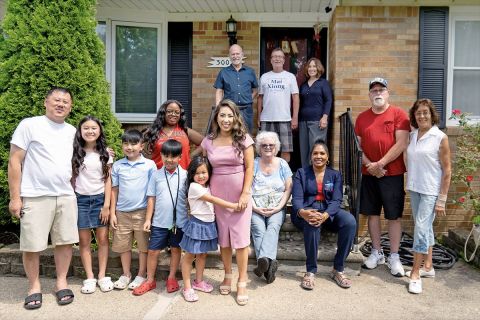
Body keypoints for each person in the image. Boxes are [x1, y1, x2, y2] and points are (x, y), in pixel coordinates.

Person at [8, 87, 78, 309]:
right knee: (32, 245)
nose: (61, 104)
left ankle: (61, 283)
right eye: (56, 100)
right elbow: (14, 161)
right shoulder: (29, 125)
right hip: (36, 195)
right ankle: (34, 286)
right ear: (45, 102)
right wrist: (15, 197)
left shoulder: (72, 130)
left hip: (66, 195)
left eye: (65, 102)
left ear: (71, 107)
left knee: (65, 242)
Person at [199, 99, 254, 306]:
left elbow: (250, 168)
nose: (226, 119)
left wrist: (245, 193)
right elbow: (200, 165)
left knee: (240, 240)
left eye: (230, 115)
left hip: (239, 193)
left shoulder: (244, 140)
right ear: (216, 118)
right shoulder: (209, 141)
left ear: (236, 118)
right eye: (222, 115)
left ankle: (242, 280)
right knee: (224, 239)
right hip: (217, 195)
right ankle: (228, 274)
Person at [354, 77, 410, 277]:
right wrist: (371, 165)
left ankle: (394, 255)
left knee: (393, 215)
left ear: (388, 93)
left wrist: (381, 164)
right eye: (374, 90)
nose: (377, 93)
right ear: (369, 94)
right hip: (369, 173)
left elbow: (401, 143)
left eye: (381, 89)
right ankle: (377, 252)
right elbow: (357, 147)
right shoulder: (362, 118)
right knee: (372, 213)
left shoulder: (399, 114)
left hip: (392, 174)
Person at [291, 139, 357, 290]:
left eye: (322, 153)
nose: (318, 156)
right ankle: (310, 271)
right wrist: (303, 212)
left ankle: (338, 269)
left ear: (327, 157)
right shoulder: (301, 173)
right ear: (310, 156)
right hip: (306, 211)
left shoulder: (335, 175)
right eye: (315, 153)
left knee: (350, 221)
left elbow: (337, 200)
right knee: (312, 223)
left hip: (328, 212)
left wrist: (325, 215)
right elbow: (297, 199)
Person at [405, 98, 451, 294]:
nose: (422, 115)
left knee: (421, 229)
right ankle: (428, 267)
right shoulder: (413, 135)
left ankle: (415, 273)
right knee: (424, 227)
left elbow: (447, 171)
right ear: (414, 116)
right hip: (415, 187)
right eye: (418, 112)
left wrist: (442, 199)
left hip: (431, 191)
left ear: (432, 115)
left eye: (425, 112)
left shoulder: (440, 138)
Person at [133, 139, 188, 296]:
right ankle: (150, 280)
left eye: (173, 156)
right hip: (159, 222)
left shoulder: (185, 175)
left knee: (176, 250)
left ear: (180, 157)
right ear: (161, 155)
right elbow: (151, 198)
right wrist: (148, 219)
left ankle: (171, 277)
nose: (169, 160)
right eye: (166, 155)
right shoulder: (156, 175)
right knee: (153, 251)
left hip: (179, 222)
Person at [180, 156, 238, 302]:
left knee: (202, 255)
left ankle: (198, 282)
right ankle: (187, 287)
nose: (201, 176)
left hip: (208, 225)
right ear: (192, 174)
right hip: (197, 225)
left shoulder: (208, 186)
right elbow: (213, 200)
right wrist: (233, 205)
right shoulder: (194, 187)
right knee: (189, 256)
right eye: (197, 173)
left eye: (204, 172)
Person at [110, 129, 156, 291]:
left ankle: (141, 274)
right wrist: (112, 213)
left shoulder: (149, 165)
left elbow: (152, 194)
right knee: (123, 246)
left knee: (143, 246)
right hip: (121, 213)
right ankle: (126, 274)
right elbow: (114, 190)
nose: (129, 147)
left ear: (141, 146)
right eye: (126, 143)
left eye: (133, 143)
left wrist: (149, 217)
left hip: (141, 212)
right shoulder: (118, 165)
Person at [72, 116, 113, 294]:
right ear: (80, 132)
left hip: (99, 200)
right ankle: (89, 277)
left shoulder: (106, 154)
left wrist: (107, 206)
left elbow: (108, 180)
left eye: (94, 128)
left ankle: (103, 275)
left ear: (100, 131)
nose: (90, 131)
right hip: (80, 200)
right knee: (84, 241)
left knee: (103, 239)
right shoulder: (75, 152)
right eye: (86, 128)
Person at [251, 131, 292, 284]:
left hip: (277, 207)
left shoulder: (282, 163)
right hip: (256, 206)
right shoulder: (254, 163)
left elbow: (288, 188)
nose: (268, 147)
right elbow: (246, 188)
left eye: (271, 145)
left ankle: (263, 263)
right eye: (264, 145)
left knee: (273, 227)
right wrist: (255, 208)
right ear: (259, 148)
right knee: (258, 229)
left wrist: (279, 207)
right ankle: (268, 265)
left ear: (276, 148)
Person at [257, 47, 299, 163]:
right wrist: (258, 117)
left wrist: (294, 117)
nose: (277, 59)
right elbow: (260, 98)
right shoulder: (264, 77)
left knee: (285, 149)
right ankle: (267, 173)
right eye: (275, 57)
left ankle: (283, 176)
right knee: (264, 148)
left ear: (284, 60)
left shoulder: (290, 77)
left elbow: (295, 98)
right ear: (270, 60)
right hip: (266, 119)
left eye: (280, 57)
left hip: (285, 119)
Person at [143, 99, 203, 169]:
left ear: (180, 115)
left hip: (182, 176)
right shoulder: (153, 131)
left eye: (177, 112)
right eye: (169, 111)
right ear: (163, 113)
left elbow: (206, 142)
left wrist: (191, 156)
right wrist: (146, 157)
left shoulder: (185, 131)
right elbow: (136, 143)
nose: (173, 114)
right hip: (158, 176)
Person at [214, 44, 258, 133]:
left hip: (246, 111)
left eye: (237, 54)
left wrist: (248, 99)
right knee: (229, 134)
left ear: (242, 55)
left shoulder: (250, 72)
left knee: (246, 135)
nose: (235, 56)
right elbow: (219, 91)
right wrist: (219, 107)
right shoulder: (223, 72)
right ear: (229, 56)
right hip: (230, 111)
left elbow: (255, 90)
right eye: (233, 54)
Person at [298, 58, 333, 167]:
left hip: (317, 120)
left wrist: (325, 117)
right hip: (303, 121)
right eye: (309, 66)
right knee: (304, 149)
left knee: (316, 149)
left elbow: (328, 100)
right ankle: (305, 174)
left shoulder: (323, 83)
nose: (311, 69)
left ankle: (317, 174)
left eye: (314, 66)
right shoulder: (303, 85)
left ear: (318, 68)